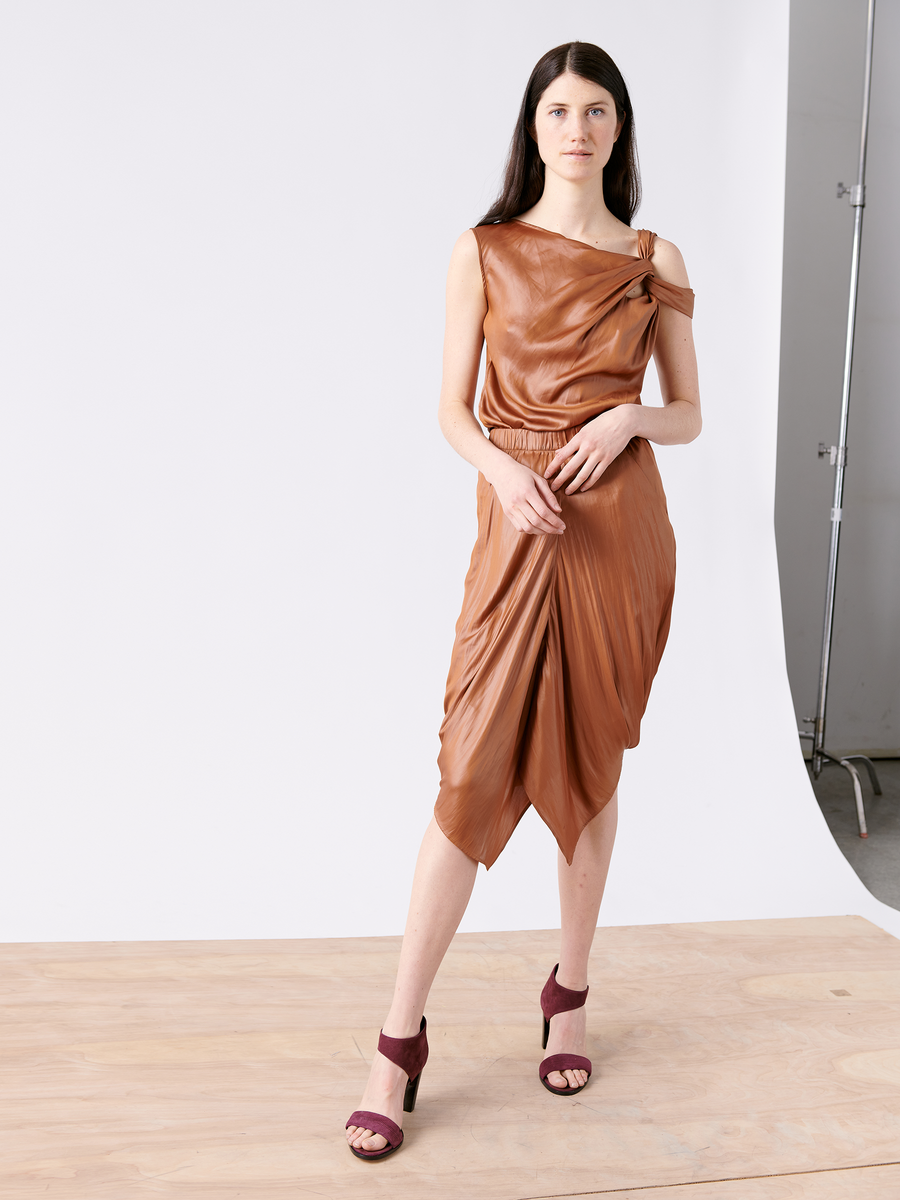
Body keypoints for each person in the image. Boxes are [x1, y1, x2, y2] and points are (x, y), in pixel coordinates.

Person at [345, 40, 700, 1160]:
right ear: (533, 127)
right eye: (559, 109)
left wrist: (626, 419)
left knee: (591, 763)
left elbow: (689, 412)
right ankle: (398, 1038)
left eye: (598, 110)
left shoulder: (653, 257)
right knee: (468, 769)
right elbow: (451, 409)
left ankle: (571, 991)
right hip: (517, 524)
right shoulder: (483, 250)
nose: (579, 128)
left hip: (618, 532)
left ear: (619, 129)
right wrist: (501, 468)